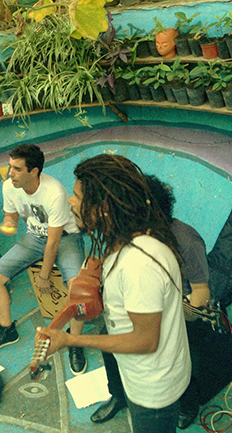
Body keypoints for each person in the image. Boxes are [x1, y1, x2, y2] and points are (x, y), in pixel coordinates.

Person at [37, 154, 191, 433]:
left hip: (153, 391)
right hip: (139, 374)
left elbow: (145, 341)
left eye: (77, 196)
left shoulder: (139, 265)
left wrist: (70, 339)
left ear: (104, 207)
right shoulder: (125, 236)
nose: (70, 201)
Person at [89, 174, 209, 429]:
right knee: (108, 340)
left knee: (180, 352)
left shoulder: (186, 240)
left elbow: (201, 293)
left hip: (179, 313)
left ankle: (187, 404)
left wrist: (176, 312)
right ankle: (119, 394)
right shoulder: (127, 235)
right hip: (138, 308)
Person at [0, 144, 87, 375]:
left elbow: (53, 242)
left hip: (65, 238)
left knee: (78, 290)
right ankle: (7, 330)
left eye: (17, 169)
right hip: (35, 236)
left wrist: (44, 276)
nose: (10, 173)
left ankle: (74, 341)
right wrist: (9, 223)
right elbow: (12, 214)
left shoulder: (54, 192)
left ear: (34, 171)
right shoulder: (10, 186)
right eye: (10, 167)